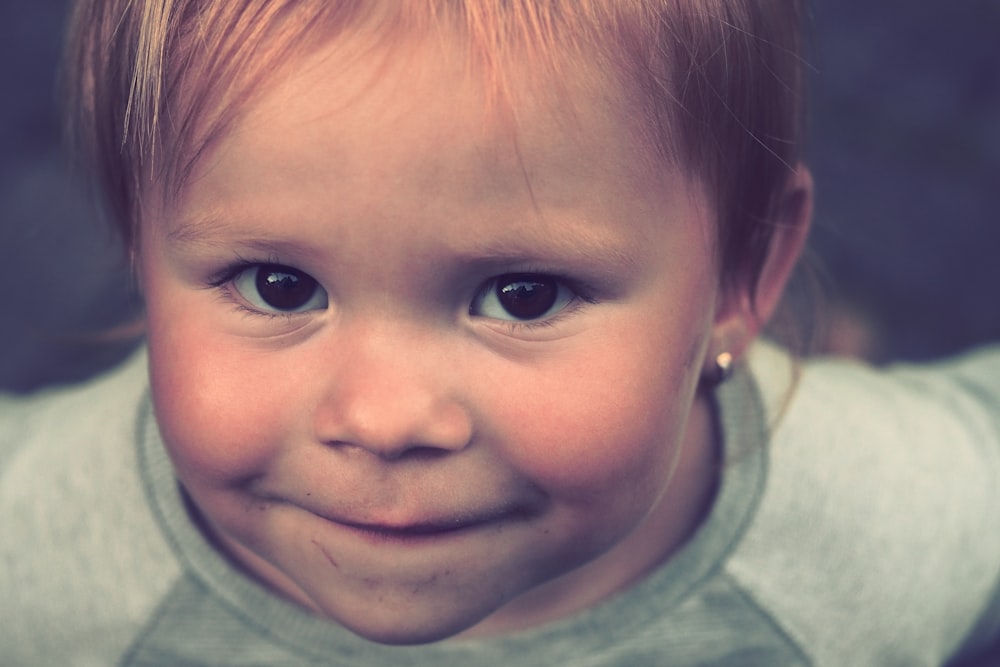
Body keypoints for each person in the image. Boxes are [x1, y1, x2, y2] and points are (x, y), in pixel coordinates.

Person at [1, 0, 998, 664]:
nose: (385, 418)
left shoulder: (873, 525)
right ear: (136, 243)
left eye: (523, 295)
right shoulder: (44, 549)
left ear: (747, 271)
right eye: (278, 284)